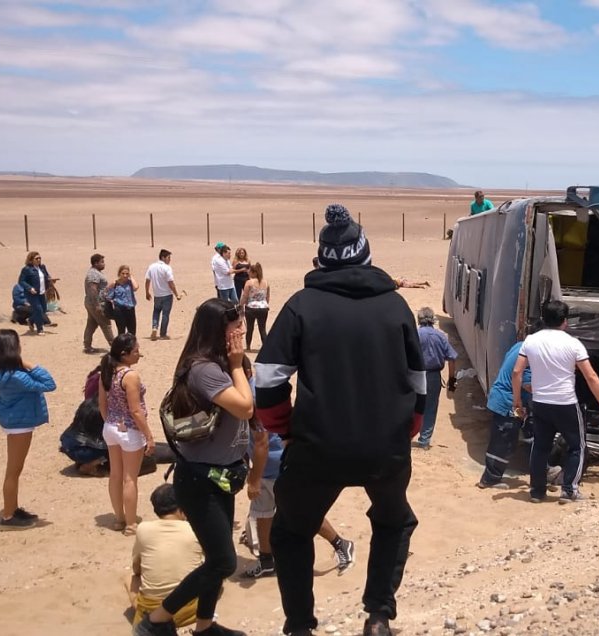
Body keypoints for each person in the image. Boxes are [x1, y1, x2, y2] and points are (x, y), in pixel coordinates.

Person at [254, 203, 425, 636]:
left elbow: (268, 381)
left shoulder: (301, 306)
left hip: (317, 445)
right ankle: (378, 616)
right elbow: (419, 381)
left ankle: (298, 626)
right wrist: (406, 430)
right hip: (384, 446)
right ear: (366, 255)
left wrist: (285, 431)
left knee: (292, 532)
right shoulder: (395, 306)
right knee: (393, 520)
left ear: (321, 259)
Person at [134, 299, 266, 636]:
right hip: (199, 478)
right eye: (234, 327)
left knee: (213, 557)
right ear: (216, 331)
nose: (239, 331)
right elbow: (245, 408)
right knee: (224, 561)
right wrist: (237, 365)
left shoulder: (216, 364)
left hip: (220, 475)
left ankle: (204, 625)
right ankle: (158, 620)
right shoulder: (204, 369)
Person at [512, 300, 599, 503]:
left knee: (540, 446)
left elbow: (517, 372)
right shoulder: (573, 343)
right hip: (566, 403)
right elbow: (591, 376)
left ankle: (536, 492)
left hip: (540, 402)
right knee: (578, 446)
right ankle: (568, 490)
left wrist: (517, 402)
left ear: (544, 319)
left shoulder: (530, 341)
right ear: (565, 321)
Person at [0, 329, 56, 530]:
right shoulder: (15, 376)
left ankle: (13, 508)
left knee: (14, 470)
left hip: (13, 419)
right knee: (13, 471)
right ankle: (9, 517)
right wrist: (27, 364)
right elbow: (49, 384)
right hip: (20, 423)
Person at [242, 431, 355, 579]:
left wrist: (254, 479)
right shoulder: (244, 412)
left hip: (280, 469)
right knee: (262, 514)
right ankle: (266, 562)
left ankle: (341, 544)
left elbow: (262, 442)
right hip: (261, 470)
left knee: (301, 512)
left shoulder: (257, 412)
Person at [99, 333, 156, 535]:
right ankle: (131, 524)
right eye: (136, 351)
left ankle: (119, 518)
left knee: (115, 475)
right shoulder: (130, 376)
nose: (139, 354)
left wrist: (111, 421)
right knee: (130, 478)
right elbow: (135, 410)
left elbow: (102, 404)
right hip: (130, 430)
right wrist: (148, 435)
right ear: (125, 355)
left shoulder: (106, 372)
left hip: (111, 428)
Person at [129, 484, 204, 629]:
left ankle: (138, 610)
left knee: (129, 579)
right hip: (189, 610)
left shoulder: (143, 529)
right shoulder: (194, 529)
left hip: (152, 611)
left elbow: (136, 568)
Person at [477, 339, 532, 488]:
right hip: (509, 403)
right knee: (504, 441)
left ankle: (545, 470)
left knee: (518, 436)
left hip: (505, 400)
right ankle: (490, 479)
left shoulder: (520, 346)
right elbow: (528, 384)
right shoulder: (531, 354)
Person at [415, 307, 457, 450]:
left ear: (419, 319)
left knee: (411, 406)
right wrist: (452, 382)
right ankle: (424, 441)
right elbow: (452, 359)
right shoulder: (440, 336)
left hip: (416, 375)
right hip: (433, 377)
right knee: (430, 408)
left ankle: (405, 436)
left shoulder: (415, 334)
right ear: (433, 320)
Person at [145, 249, 181, 341]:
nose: (170, 260)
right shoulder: (167, 268)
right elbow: (171, 283)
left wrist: (147, 292)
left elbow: (147, 280)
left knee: (156, 312)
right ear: (163, 257)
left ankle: (154, 327)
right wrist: (176, 294)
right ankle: (163, 333)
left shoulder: (151, 266)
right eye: (168, 257)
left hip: (157, 295)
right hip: (167, 295)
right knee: (165, 314)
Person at [84, 253, 115, 354]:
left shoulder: (96, 272)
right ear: (95, 263)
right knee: (106, 324)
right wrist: (97, 305)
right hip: (95, 303)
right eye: (102, 262)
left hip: (91, 302)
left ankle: (87, 345)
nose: (104, 264)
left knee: (91, 324)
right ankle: (114, 347)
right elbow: (93, 290)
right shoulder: (93, 274)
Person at [18, 251, 53, 335]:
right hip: (32, 294)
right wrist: (30, 288)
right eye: (36, 258)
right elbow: (21, 281)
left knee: (43, 310)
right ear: (31, 260)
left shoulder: (42, 267)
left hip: (41, 292)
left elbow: (47, 277)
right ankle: (40, 329)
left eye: (40, 258)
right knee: (38, 309)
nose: (39, 260)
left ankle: (30, 320)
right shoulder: (26, 269)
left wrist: (50, 281)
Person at [240, 262, 270, 351]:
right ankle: (266, 347)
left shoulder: (249, 282)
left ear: (254, 272)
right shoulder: (266, 282)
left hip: (251, 307)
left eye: (250, 272)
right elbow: (267, 297)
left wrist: (241, 305)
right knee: (262, 329)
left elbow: (244, 296)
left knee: (250, 328)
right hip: (263, 307)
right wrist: (266, 305)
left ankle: (248, 347)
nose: (248, 273)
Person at [106, 264, 140, 336]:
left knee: (132, 332)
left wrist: (131, 277)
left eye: (127, 274)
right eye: (123, 273)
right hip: (120, 310)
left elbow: (136, 287)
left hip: (130, 309)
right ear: (119, 274)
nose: (125, 275)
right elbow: (108, 297)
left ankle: (131, 347)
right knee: (121, 331)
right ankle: (121, 347)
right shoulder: (115, 284)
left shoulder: (130, 283)